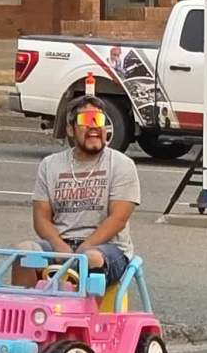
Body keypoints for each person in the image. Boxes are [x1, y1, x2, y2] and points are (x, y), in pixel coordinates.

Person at [16, 95, 141, 287]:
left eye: (99, 120)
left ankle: (83, 316)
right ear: (70, 130)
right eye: (85, 120)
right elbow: (41, 218)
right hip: (60, 242)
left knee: (89, 259)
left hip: (107, 248)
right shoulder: (50, 165)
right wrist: (59, 247)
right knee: (23, 252)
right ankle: (26, 312)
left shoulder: (121, 164)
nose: (93, 127)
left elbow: (118, 219)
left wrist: (84, 248)